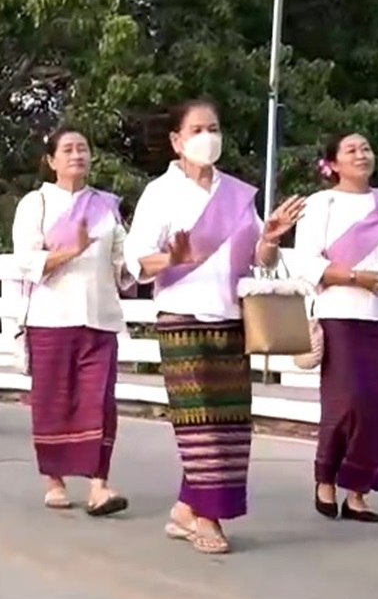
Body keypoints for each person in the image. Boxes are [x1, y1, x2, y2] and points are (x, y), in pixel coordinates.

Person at [123, 99, 303, 555]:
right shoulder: (160, 194)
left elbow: (258, 260)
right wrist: (174, 259)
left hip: (231, 319)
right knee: (200, 422)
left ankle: (187, 509)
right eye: (198, 129)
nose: (208, 137)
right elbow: (136, 258)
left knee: (229, 424)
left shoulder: (238, 195)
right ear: (177, 140)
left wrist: (269, 237)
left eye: (214, 128)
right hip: (183, 318)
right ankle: (208, 518)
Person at [293, 133, 378, 523]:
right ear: (332, 164)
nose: (362, 154)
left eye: (365, 148)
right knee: (346, 402)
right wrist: (354, 278)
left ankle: (358, 492)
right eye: (351, 150)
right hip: (341, 315)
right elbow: (307, 261)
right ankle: (326, 481)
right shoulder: (322, 204)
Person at [12, 127, 130, 514]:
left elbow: (122, 263)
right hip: (50, 316)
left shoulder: (106, 206)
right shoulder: (36, 203)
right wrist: (71, 251)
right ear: (51, 160)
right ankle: (54, 479)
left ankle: (100, 485)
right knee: (52, 400)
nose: (77, 154)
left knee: (99, 402)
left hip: (99, 316)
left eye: (83, 147)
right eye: (68, 149)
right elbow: (25, 260)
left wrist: (160, 260)